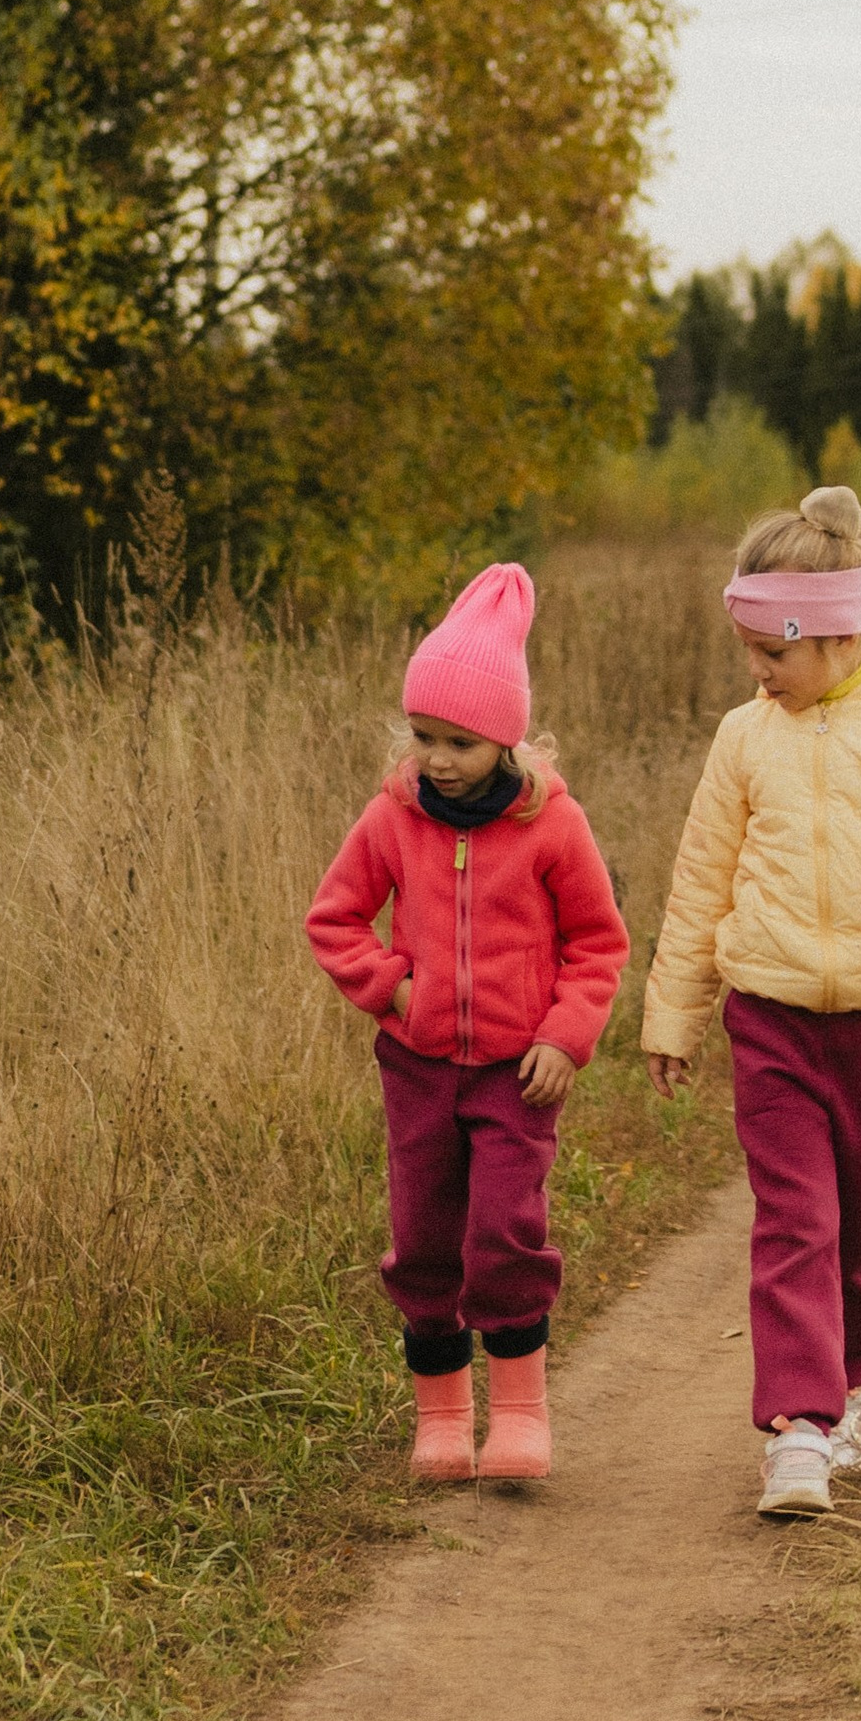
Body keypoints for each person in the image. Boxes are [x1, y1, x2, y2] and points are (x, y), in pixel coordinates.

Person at [644, 486, 861, 1520]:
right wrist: (674, 1013)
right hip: (772, 1014)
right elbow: (700, 879)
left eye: (771, 651)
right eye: (746, 649)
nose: (755, 670)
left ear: (834, 631)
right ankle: (796, 1428)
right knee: (794, 1218)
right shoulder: (743, 739)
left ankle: (848, 1386)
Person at [304, 561, 628, 1485]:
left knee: (504, 1231)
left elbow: (598, 943)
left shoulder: (551, 827)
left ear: (506, 740)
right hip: (417, 1069)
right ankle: (443, 1417)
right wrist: (392, 988)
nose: (436, 759)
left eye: (459, 741)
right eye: (423, 737)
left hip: (516, 1073)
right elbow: (333, 918)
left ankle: (520, 1411)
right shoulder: (392, 818)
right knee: (427, 1238)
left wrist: (566, 1035)